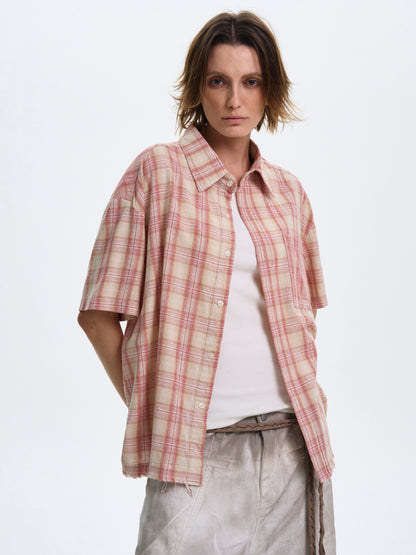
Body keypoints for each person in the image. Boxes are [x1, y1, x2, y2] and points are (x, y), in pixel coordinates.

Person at [78, 11, 336, 554]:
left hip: (293, 445)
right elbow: (99, 314)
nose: (234, 100)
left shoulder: (288, 193)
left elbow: (303, 314)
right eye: (219, 81)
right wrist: (156, 407)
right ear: (199, 87)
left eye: (251, 82)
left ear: (269, 91)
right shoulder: (157, 174)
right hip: (194, 453)